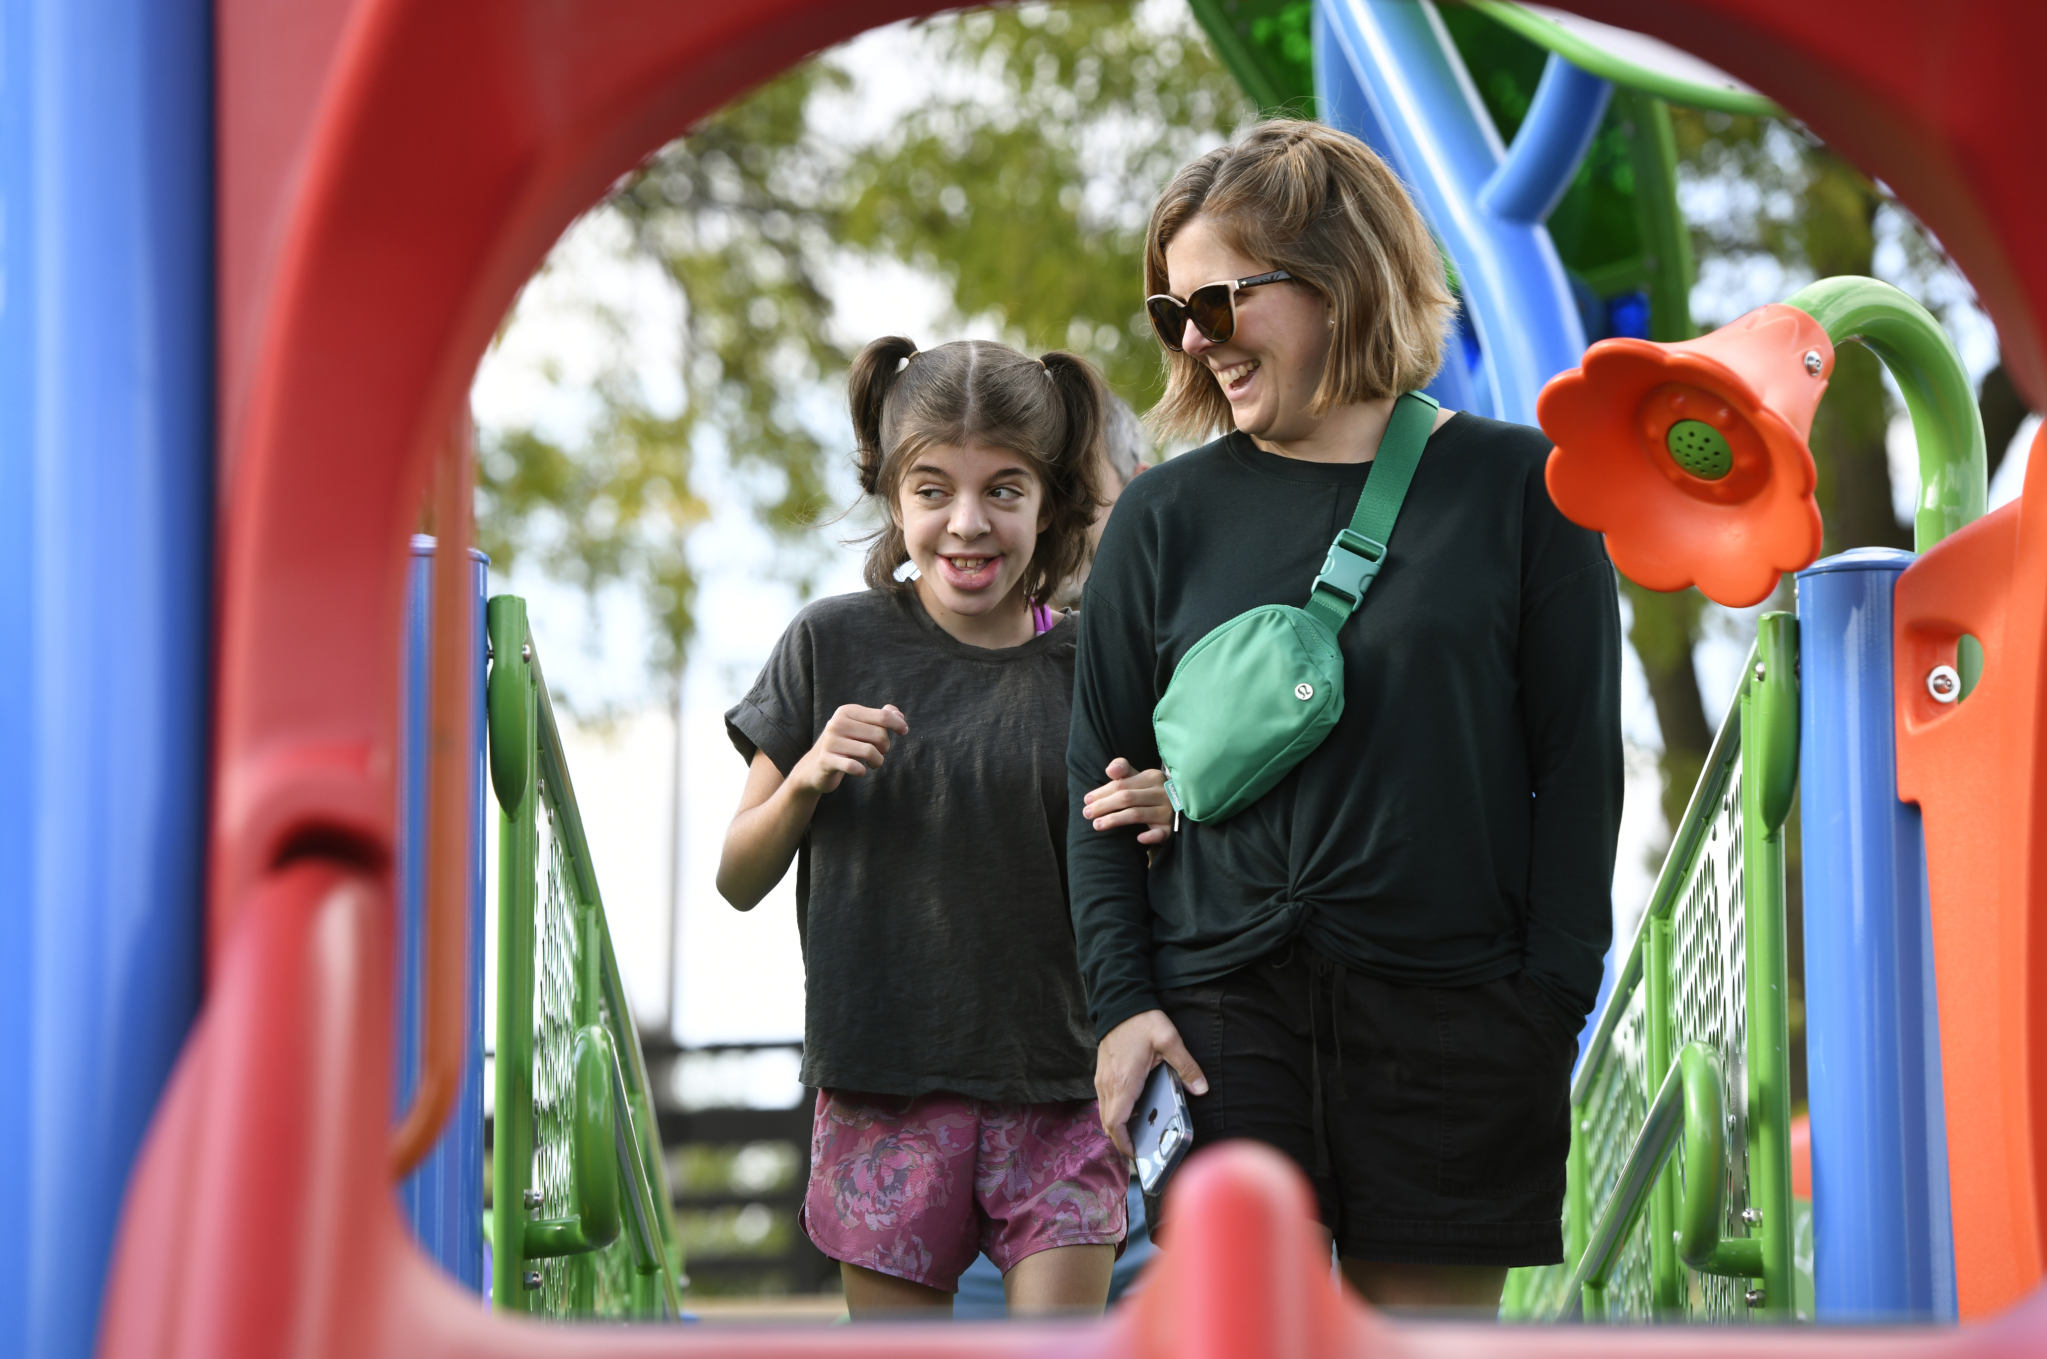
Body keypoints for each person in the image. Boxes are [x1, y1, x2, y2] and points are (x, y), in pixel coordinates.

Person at [1068, 119, 1622, 1313]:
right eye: (1173, 316)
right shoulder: (1158, 520)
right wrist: (1122, 1009)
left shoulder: (1528, 490)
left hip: (1460, 1014)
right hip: (1218, 1013)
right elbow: (1097, 789)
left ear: (1338, 275)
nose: (1194, 343)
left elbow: (1577, 771)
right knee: (1238, 1331)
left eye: (1216, 304)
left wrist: (1546, 1004)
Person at [716, 336, 1174, 1319]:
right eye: (933, 491)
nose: (966, 524)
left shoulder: (1103, 668)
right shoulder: (827, 644)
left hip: (1062, 1089)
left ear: (1049, 501)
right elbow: (736, 875)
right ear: (891, 497)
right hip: (883, 1087)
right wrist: (803, 782)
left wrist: (1169, 809)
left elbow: (1156, 874)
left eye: (1003, 491)